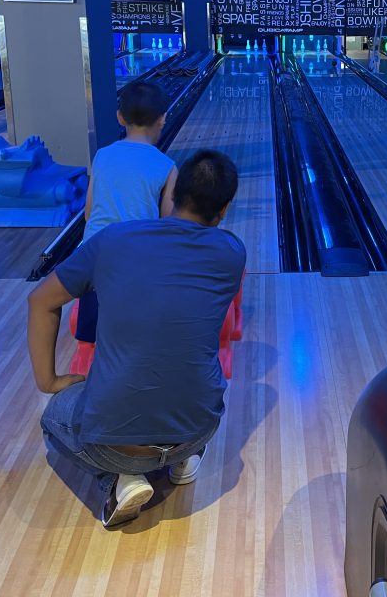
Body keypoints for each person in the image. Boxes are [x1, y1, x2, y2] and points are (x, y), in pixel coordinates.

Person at [27, 150, 246, 527]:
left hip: (115, 447)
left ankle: (120, 479)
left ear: (173, 192)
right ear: (224, 209)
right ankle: (181, 462)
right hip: (197, 431)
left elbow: (40, 301)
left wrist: (49, 381)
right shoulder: (231, 253)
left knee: (52, 417)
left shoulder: (113, 241)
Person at [73, 80, 178, 353]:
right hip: (139, 260)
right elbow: (169, 224)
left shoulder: (102, 156)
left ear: (120, 117)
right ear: (162, 119)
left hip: (93, 258)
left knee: (93, 332)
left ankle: (92, 342)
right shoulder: (167, 166)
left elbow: (89, 212)